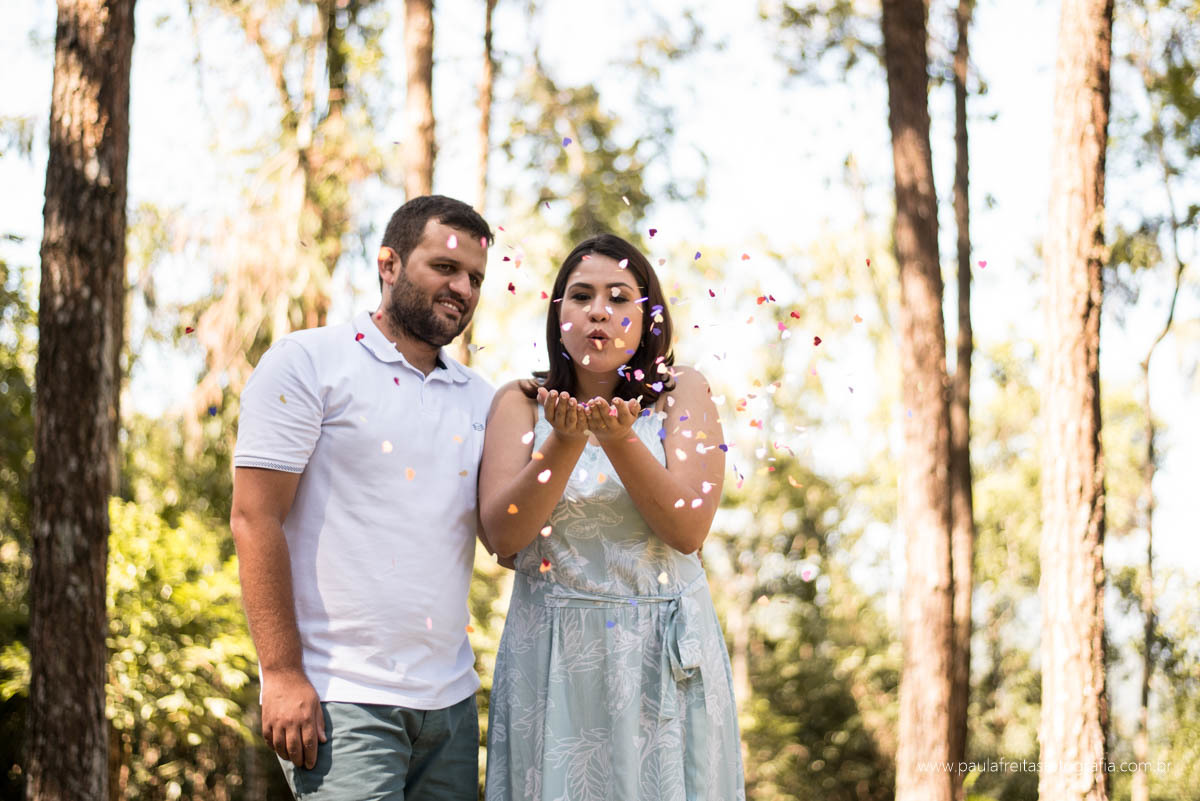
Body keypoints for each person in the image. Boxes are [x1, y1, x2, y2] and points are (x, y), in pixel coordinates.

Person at [230, 195, 494, 800]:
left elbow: (502, 533)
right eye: (445, 267)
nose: (462, 288)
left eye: (475, 278)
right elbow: (254, 517)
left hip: (451, 706)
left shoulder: (481, 398)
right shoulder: (308, 361)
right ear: (389, 264)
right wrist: (282, 672)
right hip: (341, 698)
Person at [478, 233, 746, 800]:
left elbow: (688, 531)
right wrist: (564, 442)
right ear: (559, 317)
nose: (598, 311)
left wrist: (619, 439)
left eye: (619, 297)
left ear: (648, 318)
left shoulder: (682, 392)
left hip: (660, 654)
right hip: (552, 654)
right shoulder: (519, 403)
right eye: (581, 296)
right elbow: (503, 537)